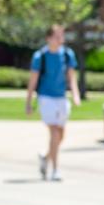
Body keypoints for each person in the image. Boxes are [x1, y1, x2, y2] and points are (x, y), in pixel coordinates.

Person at [26, 24, 81, 181]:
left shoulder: (68, 55)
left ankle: (45, 157)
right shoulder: (40, 56)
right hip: (46, 98)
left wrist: (75, 95)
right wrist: (28, 102)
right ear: (48, 38)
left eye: (62, 36)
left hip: (61, 98)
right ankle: (55, 170)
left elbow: (72, 77)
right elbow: (33, 81)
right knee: (55, 132)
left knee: (60, 135)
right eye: (57, 36)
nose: (60, 39)